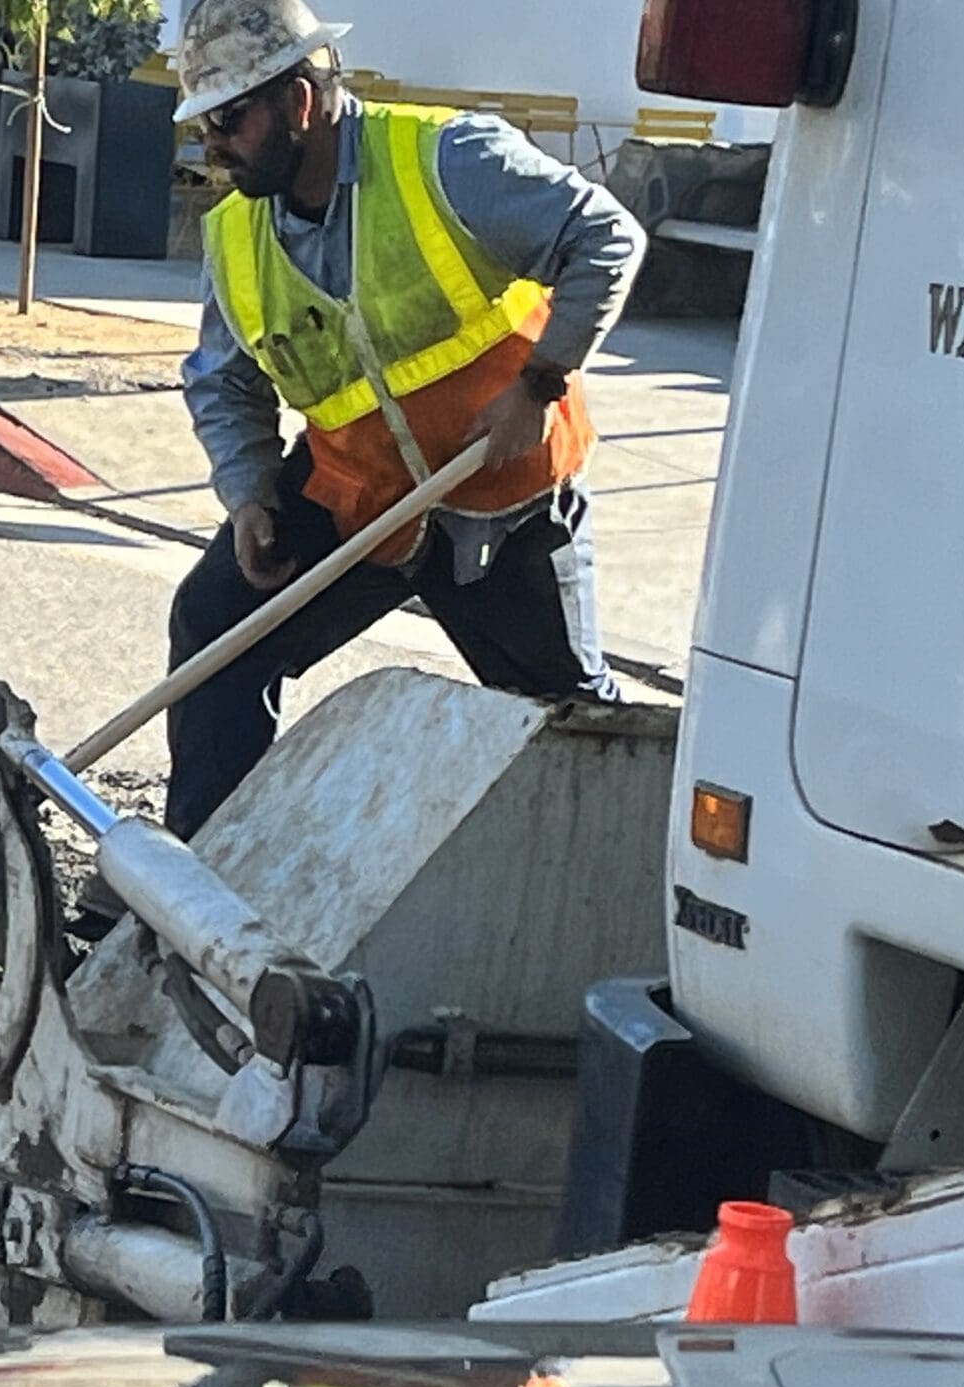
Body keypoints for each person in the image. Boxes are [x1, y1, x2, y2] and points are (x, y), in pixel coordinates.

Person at [161, 0, 647, 840]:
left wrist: (539, 384)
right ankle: (195, 869)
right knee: (216, 629)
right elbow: (224, 383)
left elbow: (606, 237)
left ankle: (621, 876)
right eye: (205, 124)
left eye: (230, 120)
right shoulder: (236, 235)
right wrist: (249, 496)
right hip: (365, 504)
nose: (214, 145)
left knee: (572, 726)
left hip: (503, 503)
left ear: (299, 102)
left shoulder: (447, 160)